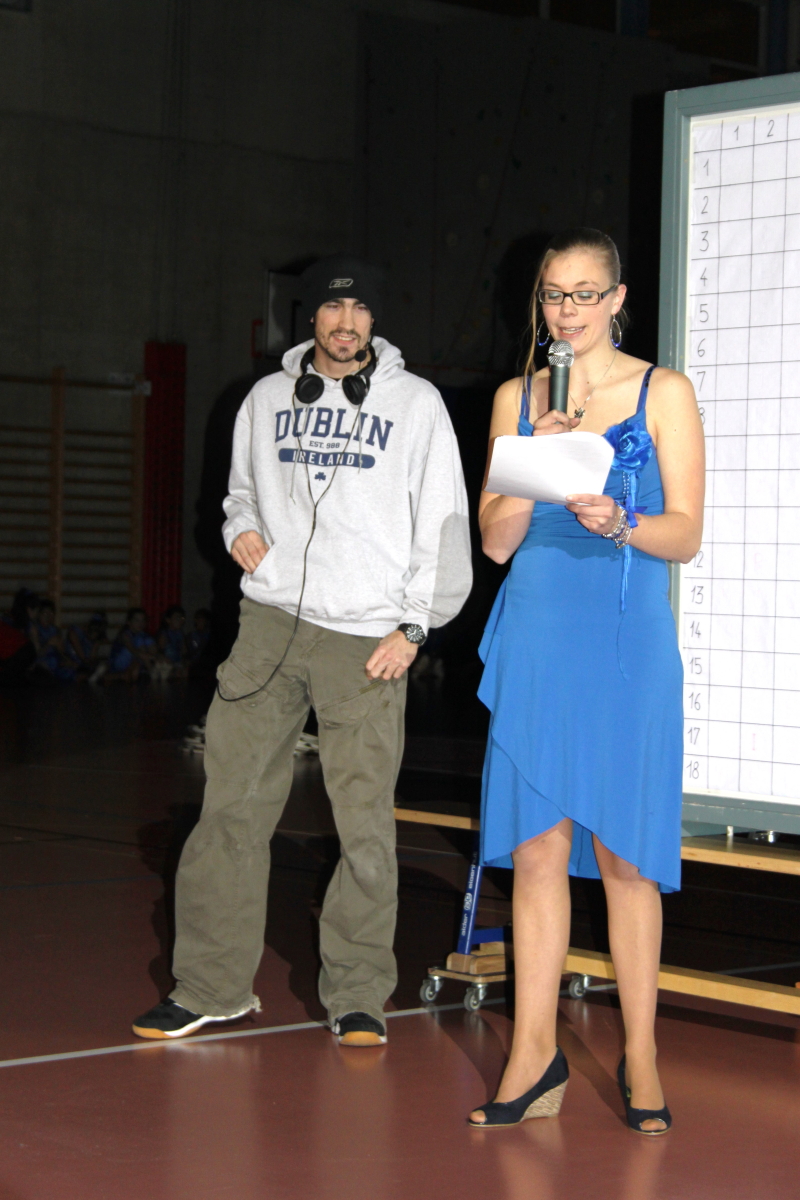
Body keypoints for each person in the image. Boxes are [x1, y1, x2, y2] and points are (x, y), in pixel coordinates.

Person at [132, 254, 473, 1044]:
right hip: (270, 626)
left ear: (375, 322)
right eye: (332, 309)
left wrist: (416, 626)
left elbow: (445, 522)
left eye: (360, 311)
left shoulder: (416, 405)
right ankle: (210, 986)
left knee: (363, 827)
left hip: (367, 638)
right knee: (229, 812)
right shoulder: (265, 399)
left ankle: (356, 994)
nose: (346, 323)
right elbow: (239, 494)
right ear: (309, 318)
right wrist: (241, 528)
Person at [468, 228, 704, 1134]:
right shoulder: (517, 397)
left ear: (617, 299)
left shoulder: (662, 391)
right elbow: (496, 542)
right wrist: (538, 460)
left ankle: (641, 1054)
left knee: (625, 858)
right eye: (552, 295)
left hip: (622, 637)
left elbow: (686, 534)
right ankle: (533, 1056)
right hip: (536, 630)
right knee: (535, 850)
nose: (566, 312)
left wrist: (621, 521)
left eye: (583, 294)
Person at [106, 608, 157, 682]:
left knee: (146, 640)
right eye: (137, 620)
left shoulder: (145, 636)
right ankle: (151, 671)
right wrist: (151, 658)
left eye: (143, 620)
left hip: (135, 661)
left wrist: (157, 657)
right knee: (139, 641)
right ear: (129, 622)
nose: (141, 624)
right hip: (119, 665)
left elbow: (153, 651)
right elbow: (133, 650)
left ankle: (144, 671)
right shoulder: (125, 635)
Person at [65, 612, 108, 682]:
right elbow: (83, 658)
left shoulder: (96, 640)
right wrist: (85, 661)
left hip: (83, 667)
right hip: (71, 665)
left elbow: (92, 658)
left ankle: (90, 677)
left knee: (103, 667)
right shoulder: (74, 632)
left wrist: (96, 644)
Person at [154, 605, 187, 680]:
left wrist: (185, 663)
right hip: (166, 664)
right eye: (177, 618)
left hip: (177, 663)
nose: (180, 620)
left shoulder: (180, 634)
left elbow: (184, 651)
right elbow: (159, 651)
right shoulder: (164, 634)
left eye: (182, 618)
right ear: (168, 620)